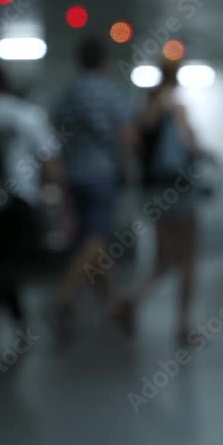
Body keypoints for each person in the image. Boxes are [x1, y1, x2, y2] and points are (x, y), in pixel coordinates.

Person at [0, 64, 61, 351]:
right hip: (20, 198)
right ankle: (13, 319)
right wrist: (55, 195)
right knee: (14, 261)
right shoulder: (27, 114)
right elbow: (48, 159)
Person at [111, 60, 204, 344]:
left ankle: (131, 302)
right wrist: (201, 150)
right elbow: (189, 146)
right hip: (179, 189)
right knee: (188, 258)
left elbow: (134, 147)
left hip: (153, 191)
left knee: (163, 260)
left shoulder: (144, 109)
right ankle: (183, 327)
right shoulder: (176, 106)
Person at [49, 36, 136, 327]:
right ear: (103, 62)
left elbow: (55, 132)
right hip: (100, 175)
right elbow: (126, 136)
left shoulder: (68, 93)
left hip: (72, 175)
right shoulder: (109, 92)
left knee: (93, 240)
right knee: (95, 240)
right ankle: (64, 297)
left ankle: (112, 305)